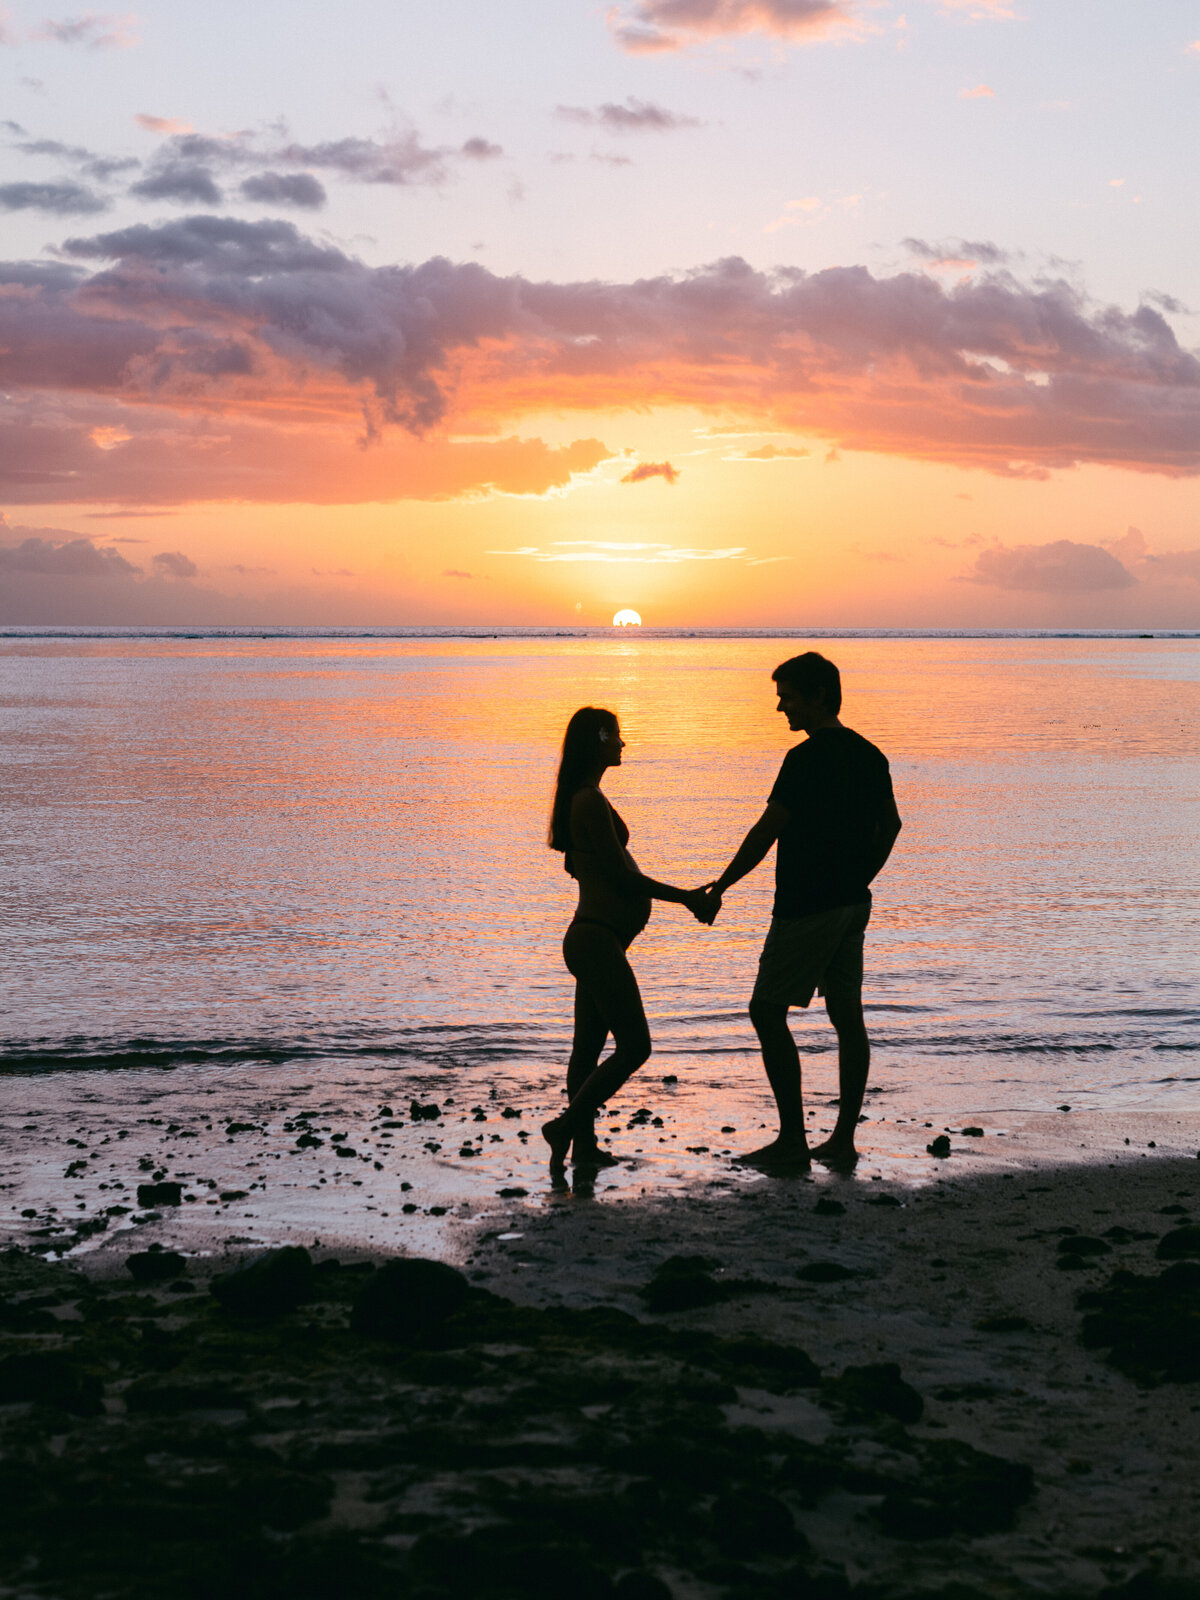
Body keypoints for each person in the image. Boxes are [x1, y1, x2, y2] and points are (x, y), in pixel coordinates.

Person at [702, 653, 901, 1170]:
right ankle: (842, 1141)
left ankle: (793, 1141)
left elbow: (767, 831)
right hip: (853, 904)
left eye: (787, 696)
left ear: (817, 696)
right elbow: (892, 825)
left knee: (766, 1011)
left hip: (807, 905)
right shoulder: (869, 753)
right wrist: (862, 876)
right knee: (847, 1018)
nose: (779, 708)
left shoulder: (805, 759)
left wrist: (720, 885)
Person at [541, 706, 711, 1172]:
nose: (622, 743)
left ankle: (583, 1149)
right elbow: (620, 874)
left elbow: (588, 865)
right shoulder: (588, 800)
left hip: (597, 939)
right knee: (636, 1046)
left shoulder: (587, 796)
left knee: (587, 1052)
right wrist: (687, 898)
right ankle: (566, 1126)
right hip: (595, 939)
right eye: (616, 735)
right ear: (598, 739)